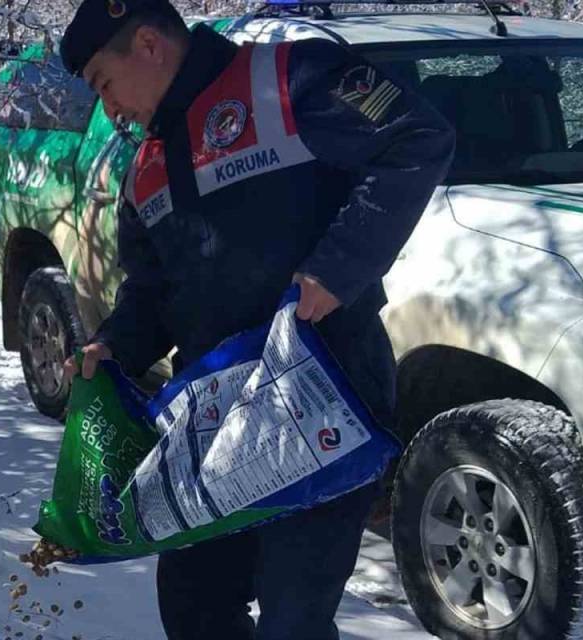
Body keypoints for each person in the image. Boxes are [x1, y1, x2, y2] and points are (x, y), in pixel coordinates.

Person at [58, 1, 455, 638]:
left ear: (149, 46)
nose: (110, 110)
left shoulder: (285, 80)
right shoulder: (146, 169)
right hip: (215, 417)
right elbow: (154, 290)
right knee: (193, 602)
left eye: (105, 83)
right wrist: (112, 346)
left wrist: (335, 269)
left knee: (293, 616)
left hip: (324, 395)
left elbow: (417, 138)